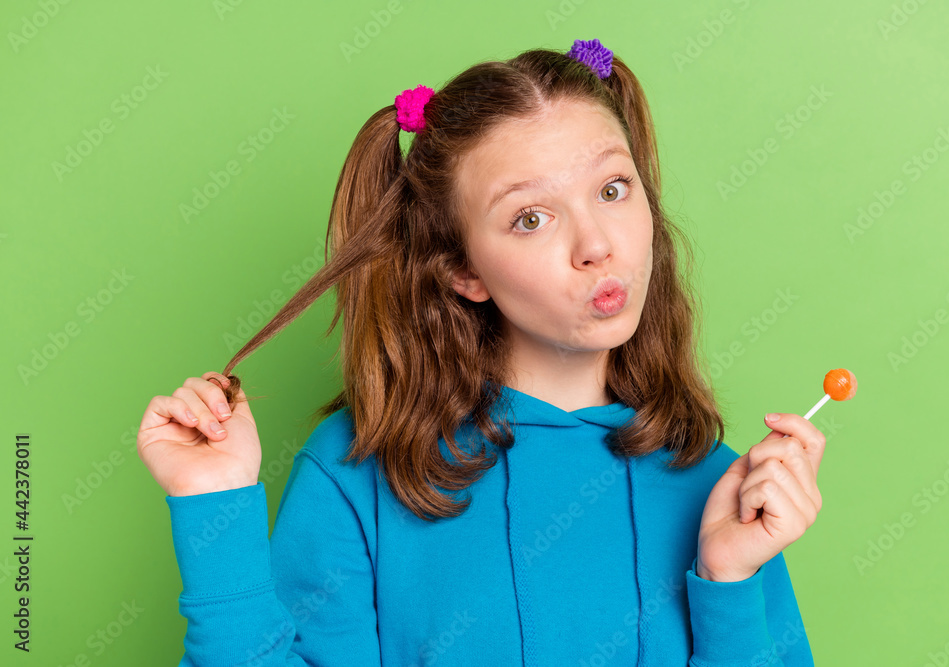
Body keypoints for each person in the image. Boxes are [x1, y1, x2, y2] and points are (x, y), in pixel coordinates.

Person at [137, 38, 821, 665]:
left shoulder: (723, 493)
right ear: (462, 270)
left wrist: (729, 580)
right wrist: (213, 512)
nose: (596, 244)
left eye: (613, 189)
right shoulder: (357, 473)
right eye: (530, 217)